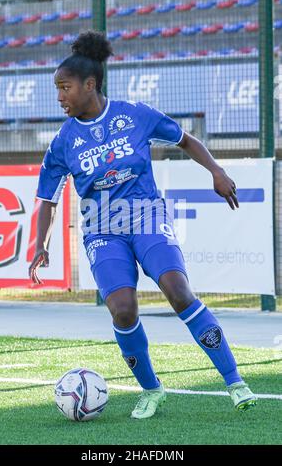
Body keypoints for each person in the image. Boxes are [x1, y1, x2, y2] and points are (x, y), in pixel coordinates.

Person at [29, 30, 257, 420]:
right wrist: (41, 244)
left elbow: (186, 140)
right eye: (57, 89)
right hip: (102, 230)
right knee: (122, 309)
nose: (60, 97)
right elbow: (47, 199)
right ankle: (152, 390)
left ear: (90, 84)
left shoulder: (135, 114)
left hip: (146, 217)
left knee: (177, 290)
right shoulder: (63, 141)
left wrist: (216, 172)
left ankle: (235, 382)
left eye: (65, 87)